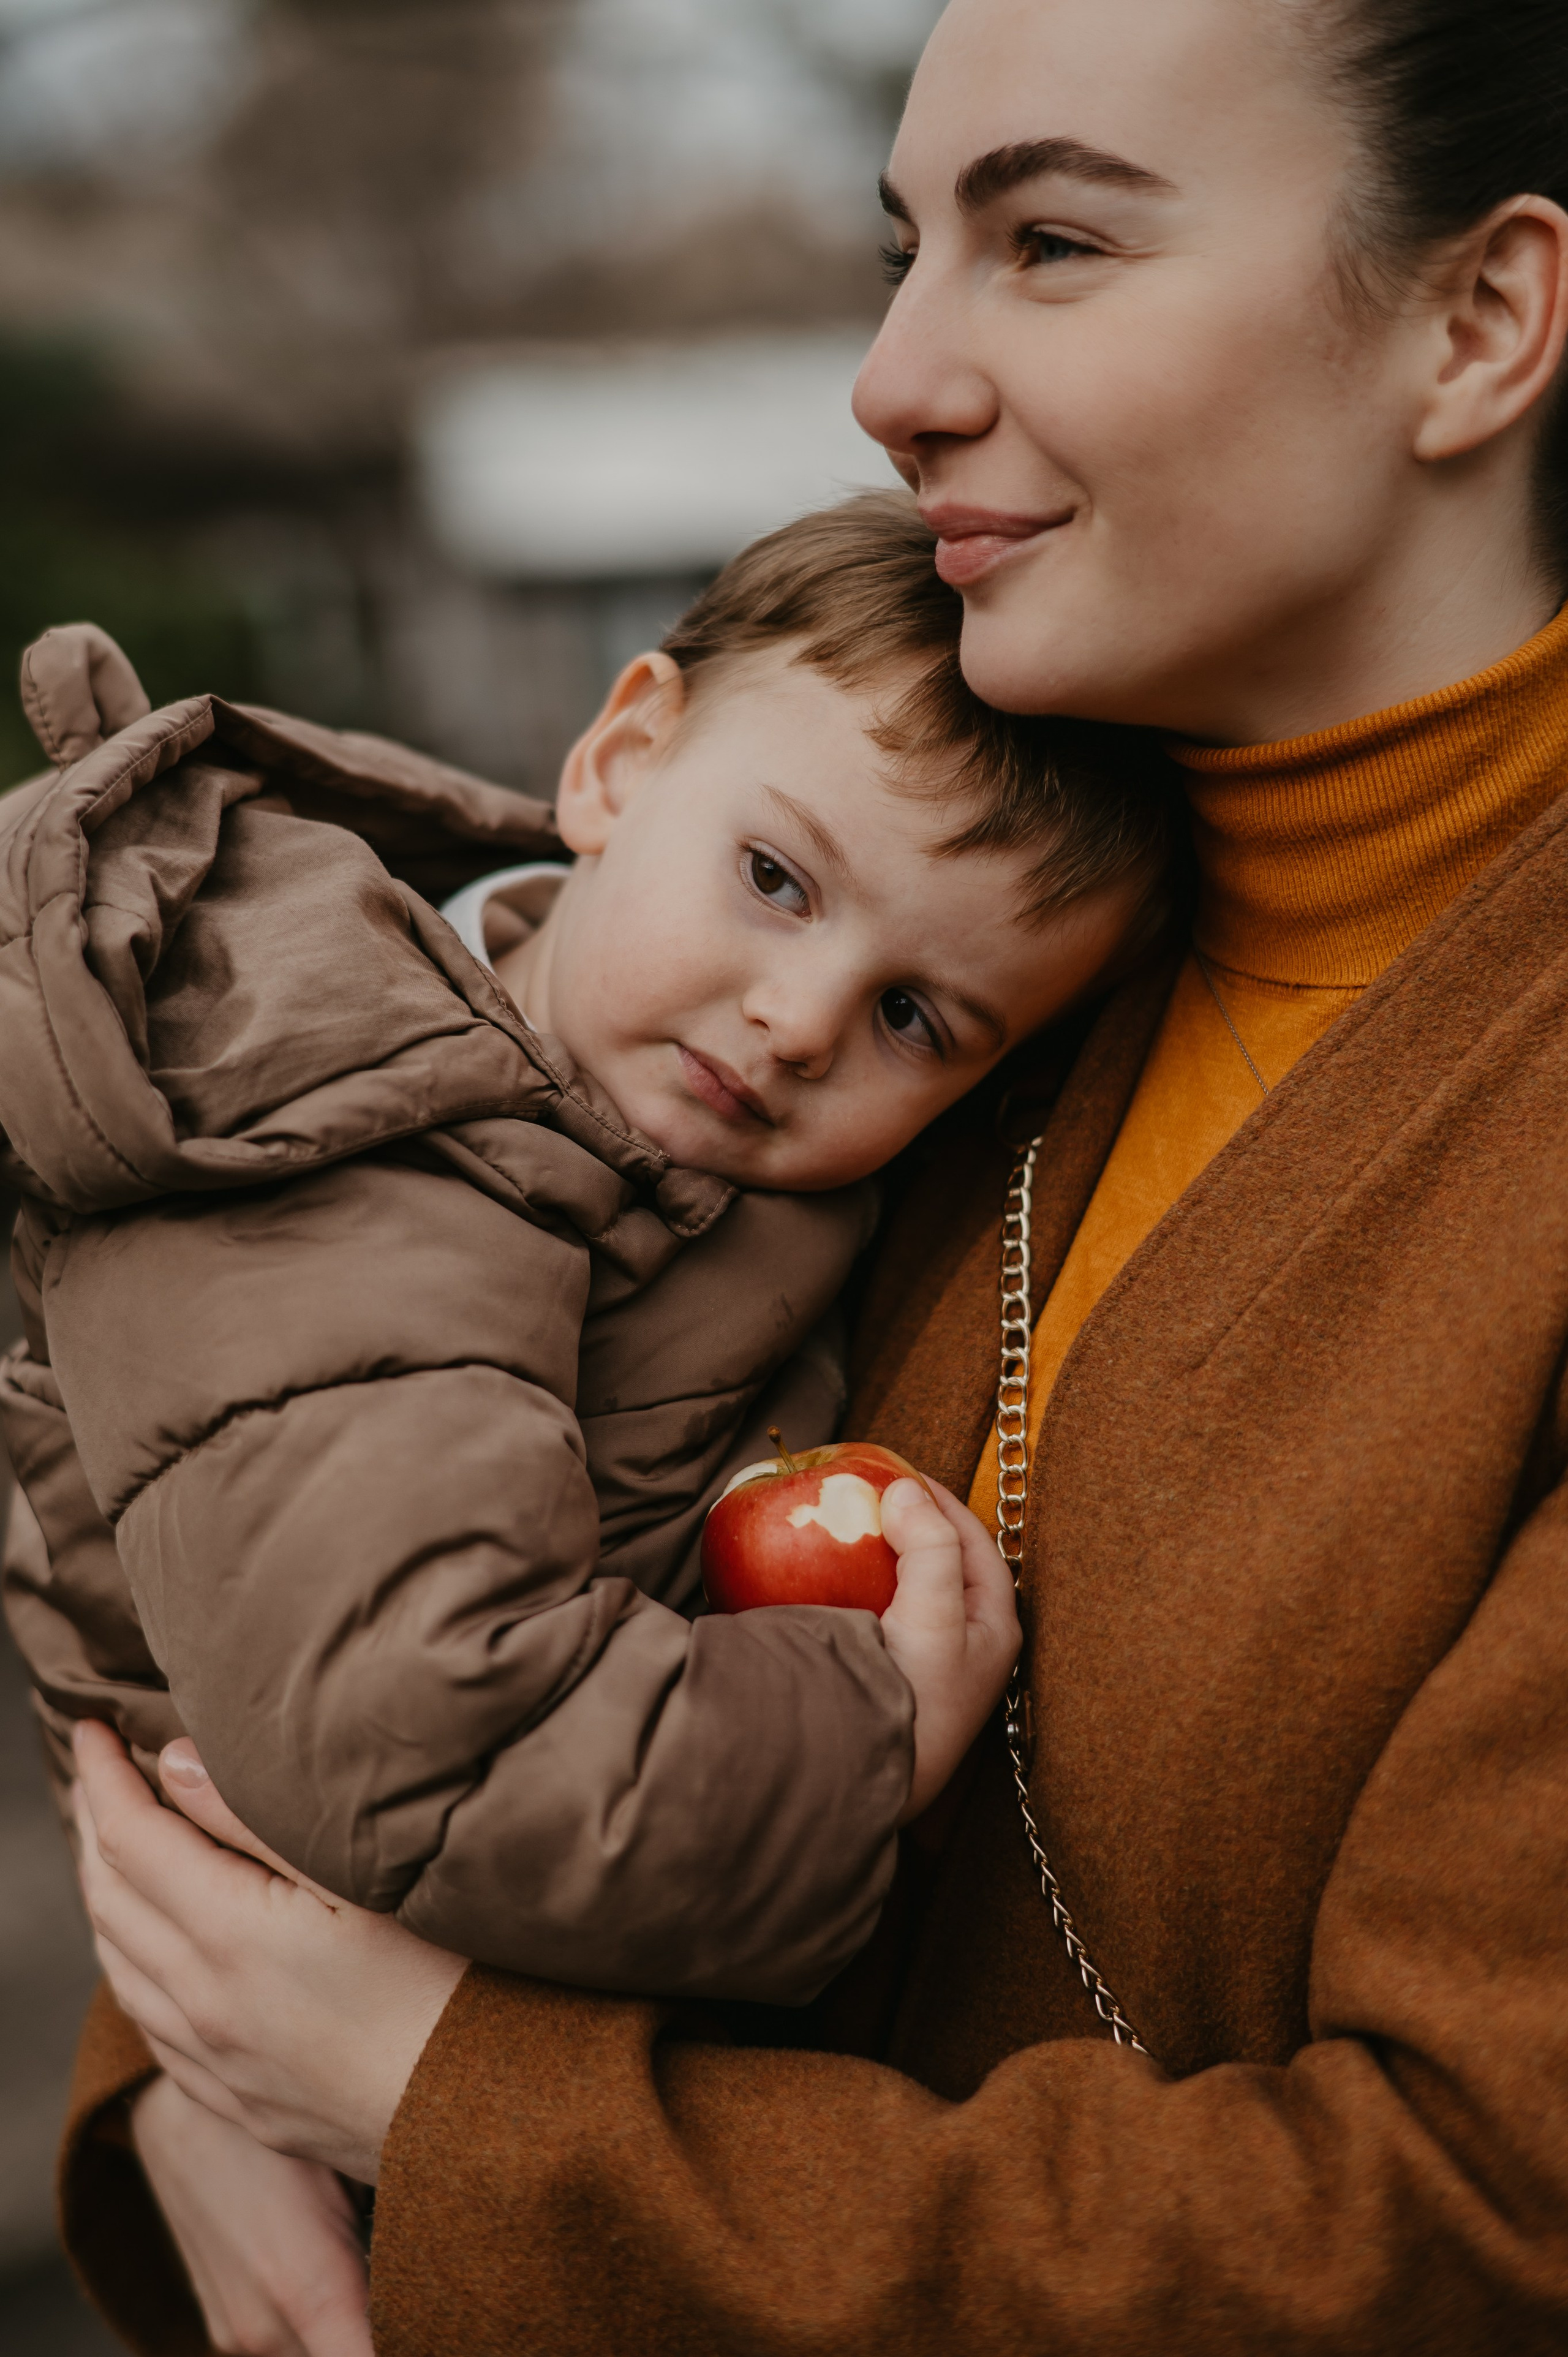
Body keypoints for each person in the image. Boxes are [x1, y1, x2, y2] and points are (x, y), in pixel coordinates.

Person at [42, 0, 1568, 2348]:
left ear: (1476, 322)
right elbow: (385, 1487)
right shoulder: (964, 913)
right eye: (902, 247)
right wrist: (198, 2080)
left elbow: (1481, 2227)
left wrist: (458, 2117)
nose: (893, 376)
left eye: (1050, 238)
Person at [0, 494, 1170, 2021]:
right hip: (340, 1952)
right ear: (619, 761)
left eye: (914, 1019)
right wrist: (862, 1737)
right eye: (775, 880)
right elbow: (430, 1740)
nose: (801, 1021)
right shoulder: (335, 1143)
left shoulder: (653, 1135)